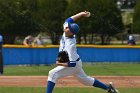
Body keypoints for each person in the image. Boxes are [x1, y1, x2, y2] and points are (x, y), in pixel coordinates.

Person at [46, 11, 118, 93]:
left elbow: (72, 64)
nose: (66, 27)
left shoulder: (71, 45)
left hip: (74, 65)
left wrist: (60, 64)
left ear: (71, 32)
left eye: (68, 27)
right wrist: (82, 14)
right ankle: (109, 88)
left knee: (52, 74)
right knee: (86, 80)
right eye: (68, 26)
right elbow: (68, 20)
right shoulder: (67, 31)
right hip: (77, 62)